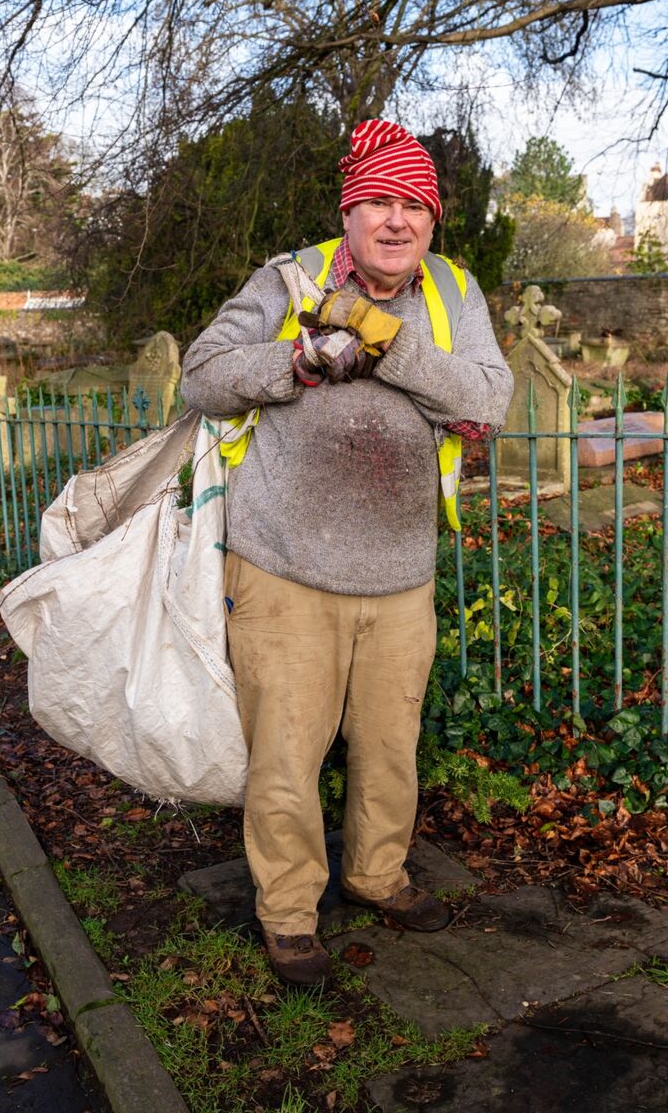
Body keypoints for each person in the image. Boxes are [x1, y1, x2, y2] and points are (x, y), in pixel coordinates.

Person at [181, 118, 513, 986]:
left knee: (389, 748)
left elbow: (488, 399)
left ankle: (376, 877)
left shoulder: (450, 291)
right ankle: (289, 915)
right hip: (284, 571)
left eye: (413, 205)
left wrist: (388, 344)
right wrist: (294, 361)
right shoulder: (288, 278)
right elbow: (202, 376)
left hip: (401, 575)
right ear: (349, 212)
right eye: (378, 202)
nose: (395, 221)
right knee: (286, 756)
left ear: (433, 220)